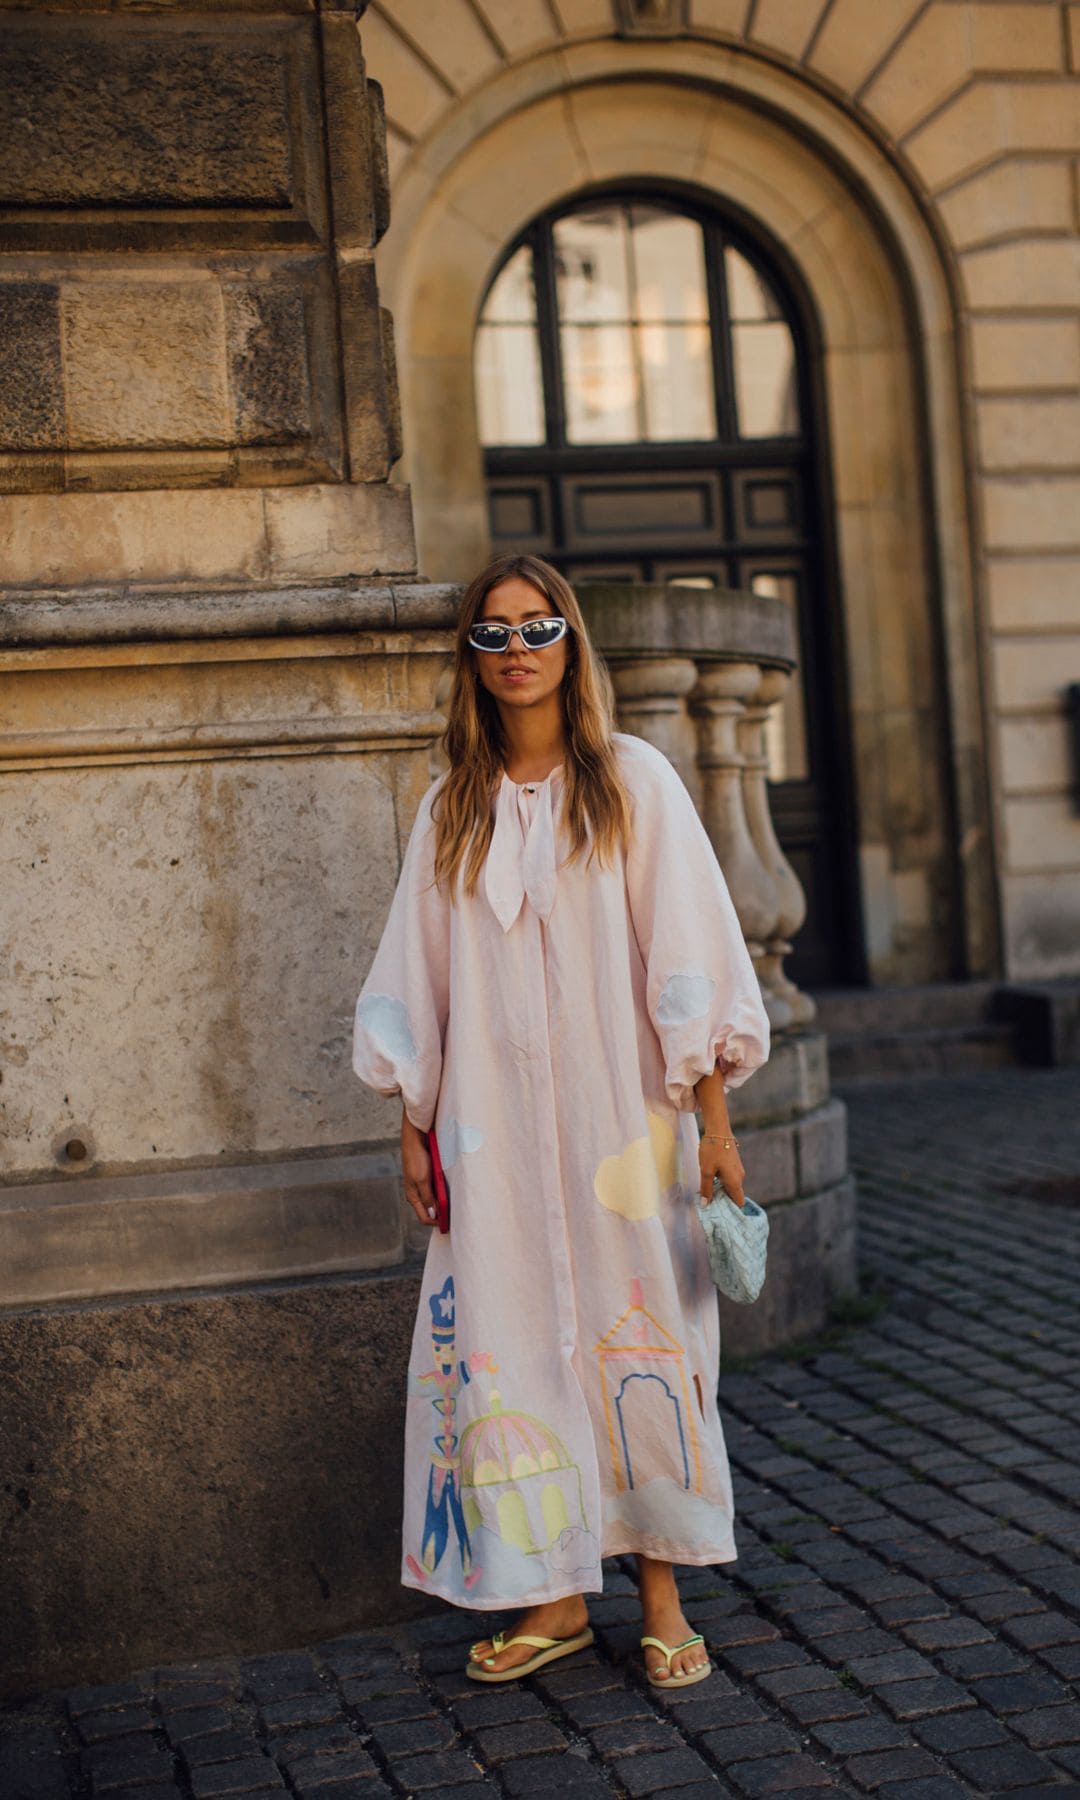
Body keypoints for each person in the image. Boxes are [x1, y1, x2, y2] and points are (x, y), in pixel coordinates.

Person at [352, 552, 770, 1689]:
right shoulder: (452, 808)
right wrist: (413, 1126)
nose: (518, 651)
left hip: (621, 1129)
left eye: (537, 629)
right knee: (508, 1342)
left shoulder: (632, 782)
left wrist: (716, 1125)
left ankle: (662, 1589)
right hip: (485, 1129)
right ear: (471, 661)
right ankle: (547, 1597)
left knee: (648, 1339)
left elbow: (690, 965)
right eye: (493, 635)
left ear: (571, 644)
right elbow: (419, 981)